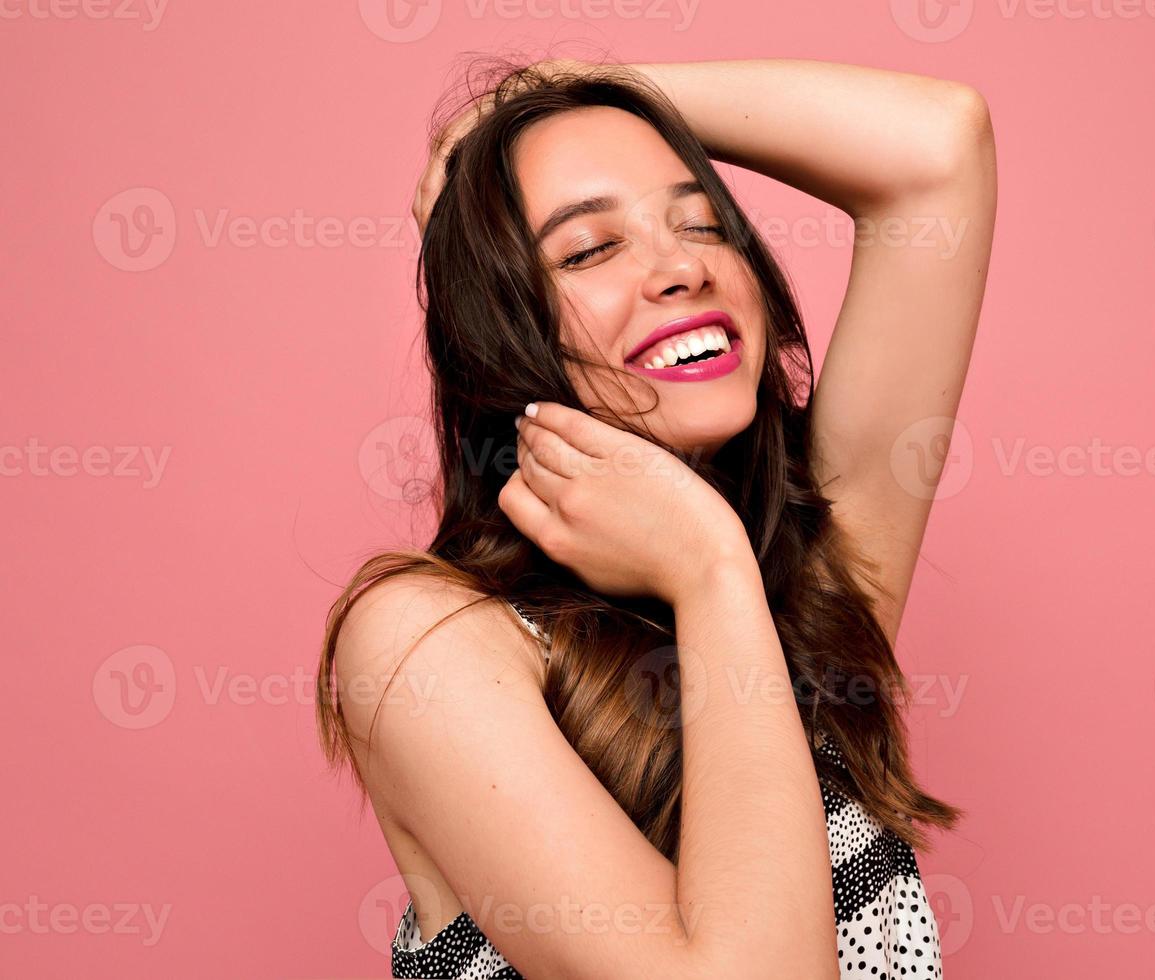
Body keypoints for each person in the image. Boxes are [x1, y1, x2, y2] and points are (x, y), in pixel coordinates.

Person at [315, 55, 996, 979]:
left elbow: (937, 147)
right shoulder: (425, 639)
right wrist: (707, 569)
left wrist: (572, 86)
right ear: (497, 339)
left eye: (705, 224)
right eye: (590, 249)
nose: (681, 267)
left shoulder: (805, 575)